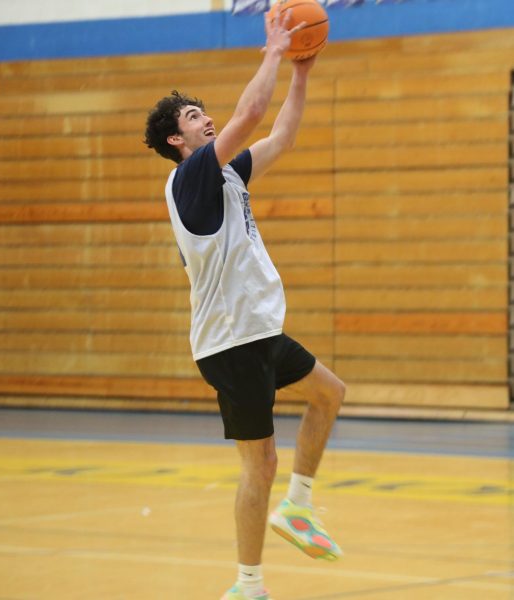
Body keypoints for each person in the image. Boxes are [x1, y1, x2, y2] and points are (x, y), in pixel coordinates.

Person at [144, 7, 345, 600]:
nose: (205, 118)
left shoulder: (228, 175)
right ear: (177, 141)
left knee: (329, 394)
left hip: (254, 329)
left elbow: (278, 133)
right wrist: (275, 51)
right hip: (231, 341)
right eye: (192, 116)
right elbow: (253, 111)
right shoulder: (190, 180)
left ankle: (298, 508)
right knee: (259, 464)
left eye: (203, 111)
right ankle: (248, 584)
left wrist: (302, 72)